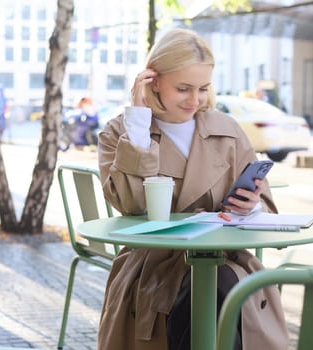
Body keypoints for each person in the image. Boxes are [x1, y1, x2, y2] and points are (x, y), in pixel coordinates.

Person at [96, 28, 289, 350]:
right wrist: (139, 125)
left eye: (203, 88)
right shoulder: (123, 131)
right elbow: (128, 205)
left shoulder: (227, 130)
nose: (194, 100)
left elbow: (266, 205)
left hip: (226, 259)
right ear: (152, 80)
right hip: (152, 265)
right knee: (206, 291)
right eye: (183, 88)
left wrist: (251, 205)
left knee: (220, 285)